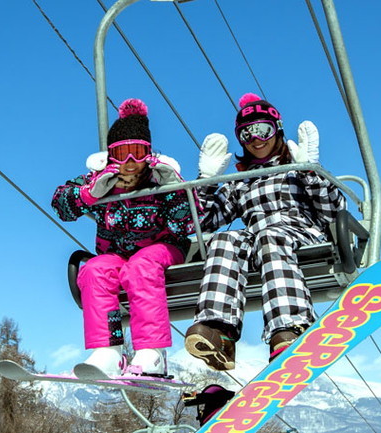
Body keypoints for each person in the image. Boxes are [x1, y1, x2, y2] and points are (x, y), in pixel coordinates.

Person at [184, 93, 347, 371]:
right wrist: (206, 183)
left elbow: (333, 210)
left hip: (299, 233)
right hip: (257, 240)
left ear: (277, 128)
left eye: (262, 129)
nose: (256, 139)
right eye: (247, 134)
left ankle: (289, 328)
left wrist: (310, 169)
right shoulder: (242, 181)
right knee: (224, 238)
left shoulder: (295, 169)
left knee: (271, 236)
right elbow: (203, 223)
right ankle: (218, 330)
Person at [51, 98, 194, 377]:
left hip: (163, 249)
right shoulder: (100, 181)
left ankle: (152, 352)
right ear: (110, 156)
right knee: (94, 270)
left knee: (140, 266)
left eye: (137, 152)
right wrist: (89, 193)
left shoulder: (159, 181)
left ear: (149, 154)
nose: (130, 163)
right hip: (116, 254)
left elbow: (186, 223)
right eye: (122, 153)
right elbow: (60, 205)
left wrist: (174, 188)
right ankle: (108, 351)